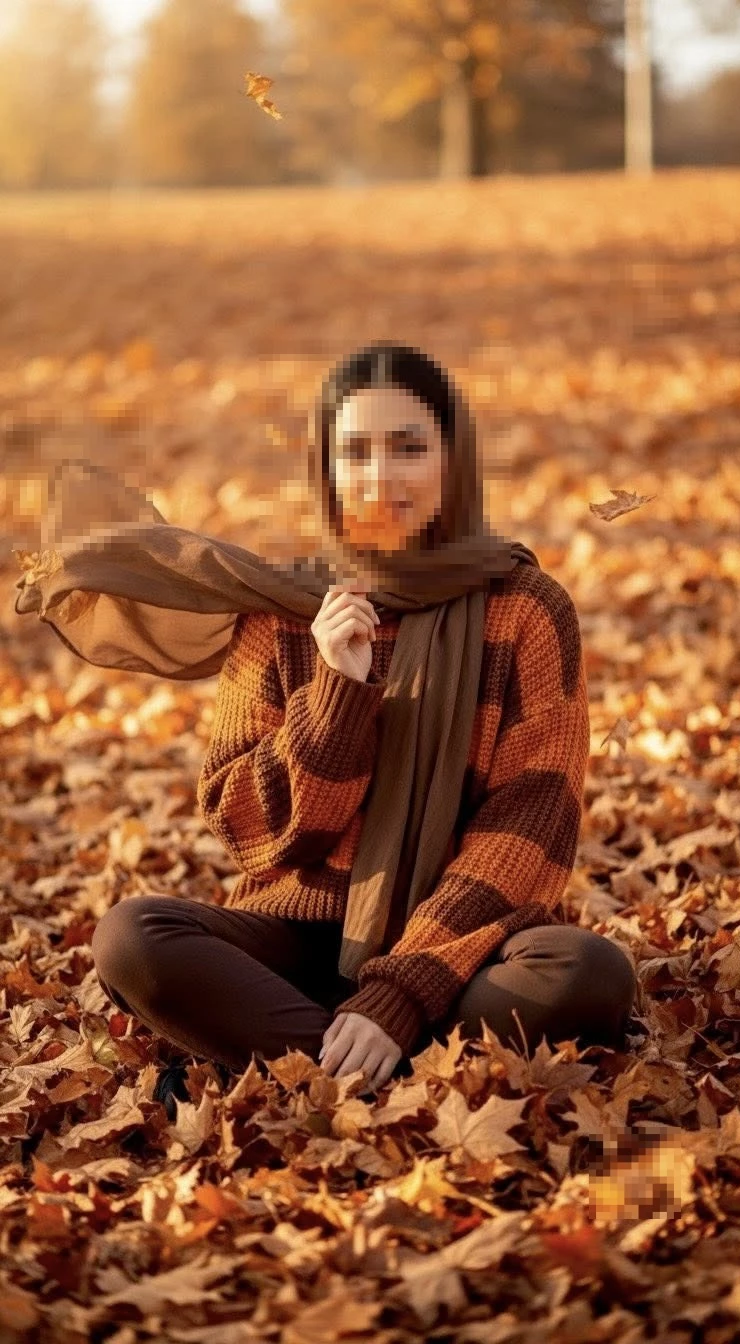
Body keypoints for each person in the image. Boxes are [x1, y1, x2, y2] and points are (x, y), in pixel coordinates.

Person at [84, 340, 637, 1117]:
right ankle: (398, 1081)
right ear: (327, 470)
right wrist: (337, 696)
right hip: (300, 942)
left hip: (459, 954)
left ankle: (306, 1065)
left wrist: (400, 993)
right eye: (357, 452)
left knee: (586, 971)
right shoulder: (282, 613)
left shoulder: (528, 608)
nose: (382, 477)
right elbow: (252, 834)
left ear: (454, 458)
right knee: (132, 937)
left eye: (409, 447)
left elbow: (531, 825)